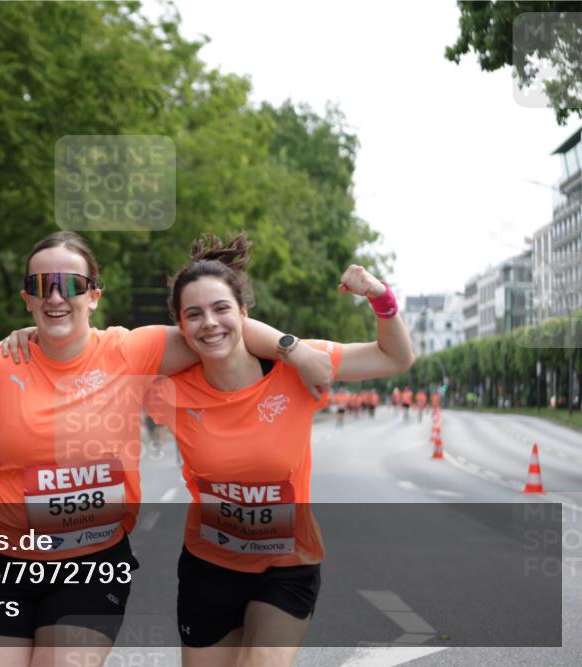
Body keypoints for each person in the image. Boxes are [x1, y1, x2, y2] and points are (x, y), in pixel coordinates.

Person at [0, 231, 333, 667]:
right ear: (28, 299)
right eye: (42, 285)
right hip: (3, 562)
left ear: (94, 296)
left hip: (92, 564)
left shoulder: (131, 351)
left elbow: (219, 328)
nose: (57, 295)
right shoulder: (2, 362)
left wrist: (295, 348)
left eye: (71, 283)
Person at [143, 233, 413, 667]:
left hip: (288, 564)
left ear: (245, 314)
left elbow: (393, 358)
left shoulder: (300, 370)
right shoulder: (167, 391)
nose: (209, 322)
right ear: (180, 327)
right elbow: (91, 356)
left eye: (221, 309)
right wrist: (35, 333)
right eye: (193, 314)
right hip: (209, 566)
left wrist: (380, 298)